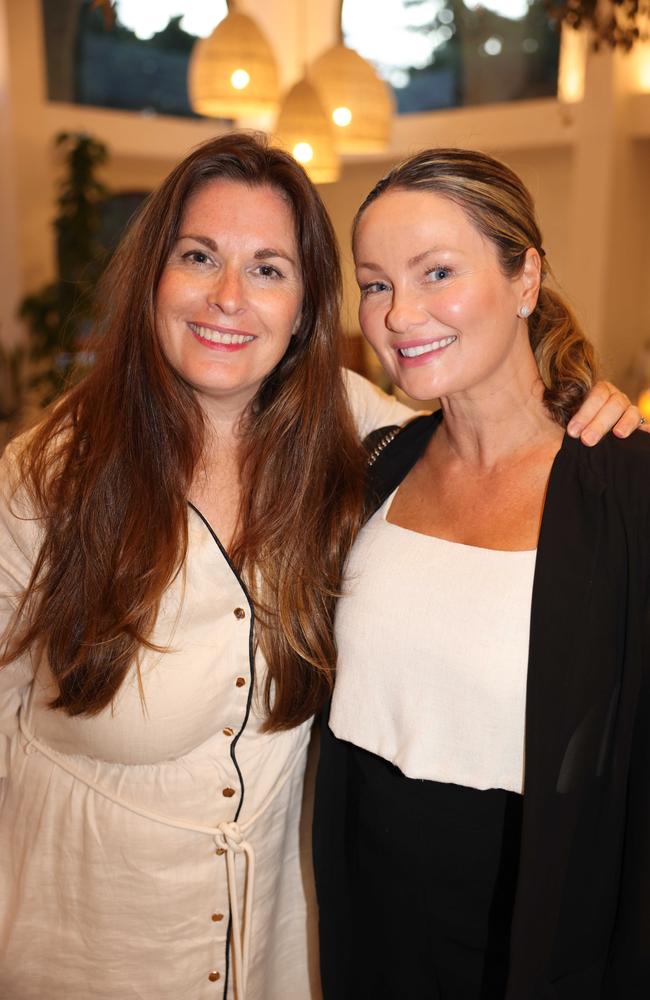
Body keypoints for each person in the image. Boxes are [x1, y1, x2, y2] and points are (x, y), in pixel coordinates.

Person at [0, 133, 640, 1000]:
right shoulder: (50, 475)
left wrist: (589, 404)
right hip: (89, 951)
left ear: (305, 309)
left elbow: (495, 406)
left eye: (268, 268)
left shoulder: (357, 435)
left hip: (296, 957)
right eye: (198, 257)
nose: (229, 297)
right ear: (153, 273)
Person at [314, 148, 650, 999]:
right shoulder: (374, 465)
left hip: (542, 930)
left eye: (436, 273)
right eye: (377, 282)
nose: (398, 314)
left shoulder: (624, 487)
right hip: (372, 919)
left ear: (525, 277)